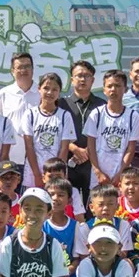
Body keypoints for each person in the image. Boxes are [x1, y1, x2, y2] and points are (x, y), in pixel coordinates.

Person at [85, 70, 139, 189]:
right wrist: (98, 172)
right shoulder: (96, 114)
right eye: (109, 86)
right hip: (98, 178)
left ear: (125, 89)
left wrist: (121, 173)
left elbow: (131, 149)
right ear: (104, 90)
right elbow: (91, 146)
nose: (113, 89)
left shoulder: (133, 116)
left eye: (117, 86)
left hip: (121, 177)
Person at [60, 61, 106, 208]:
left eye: (87, 76)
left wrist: (87, 152)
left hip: (93, 164)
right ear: (71, 79)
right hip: (68, 160)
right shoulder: (61, 104)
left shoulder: (102, 105)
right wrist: (74, 148)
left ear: (93, 80)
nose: (82, 79)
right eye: (79, 75)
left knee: (92, 205)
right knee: (68, 204)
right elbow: (57, 132)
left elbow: (105, 134)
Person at [21, 73, 76, 189]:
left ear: (59, 92)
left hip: (56, 176)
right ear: (39, 89)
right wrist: (37, 175)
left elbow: (64, 148)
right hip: (32, 174)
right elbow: (29, 147)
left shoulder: (65, 116)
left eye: (54, 89)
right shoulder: (30, 114)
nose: (50, 92)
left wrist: (57, 175)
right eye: (46, 88)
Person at [0, 53, 41, 167]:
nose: (24, 70)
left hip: (38, 158)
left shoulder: (41, 93)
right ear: (12, 71)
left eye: (27, 66)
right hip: (11, 158)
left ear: (33, 69)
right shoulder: (3, 94)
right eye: (19, 67)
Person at [41, 158, 86, 222]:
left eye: (58, 176)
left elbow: (80, 219)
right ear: (43, 178)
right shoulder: (40, 194)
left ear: (65, 176)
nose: (55, 179)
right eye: (50, 176)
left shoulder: (73, 192)